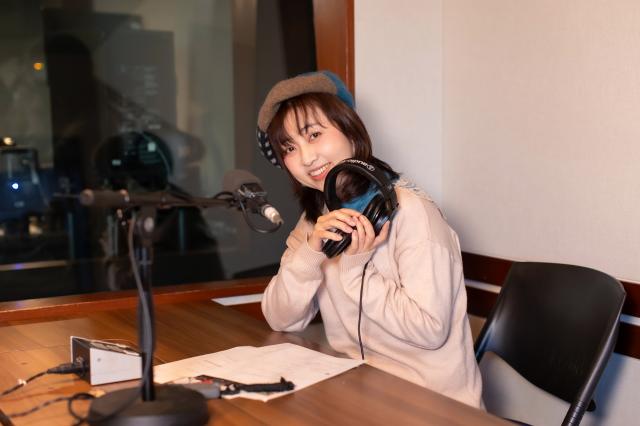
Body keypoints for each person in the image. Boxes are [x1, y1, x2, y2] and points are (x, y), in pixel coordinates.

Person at [257, 71, 483, 408]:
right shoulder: (313, 222)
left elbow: (429, 330)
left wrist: (355, 270)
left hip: (434, 407)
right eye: (289, 148)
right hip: (359, 396)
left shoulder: (413, 213)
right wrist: (309, 254)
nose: (306, 158)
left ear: (351, 129)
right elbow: (281, 319)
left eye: (314, 135)